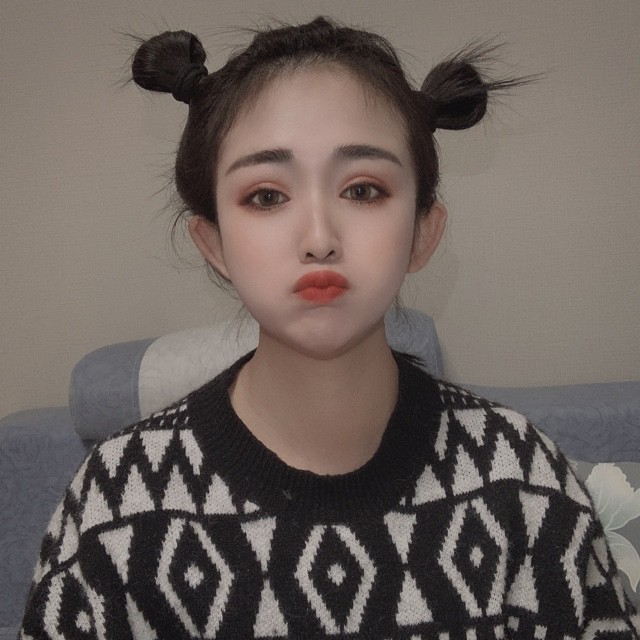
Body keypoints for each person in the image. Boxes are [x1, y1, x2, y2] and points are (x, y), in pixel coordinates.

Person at [20, 16, 638, 639]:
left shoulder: (523, 481)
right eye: (266, 196)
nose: (318, 238)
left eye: (363, 190)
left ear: (423, 232)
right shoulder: (116, 504)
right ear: (213, 243)